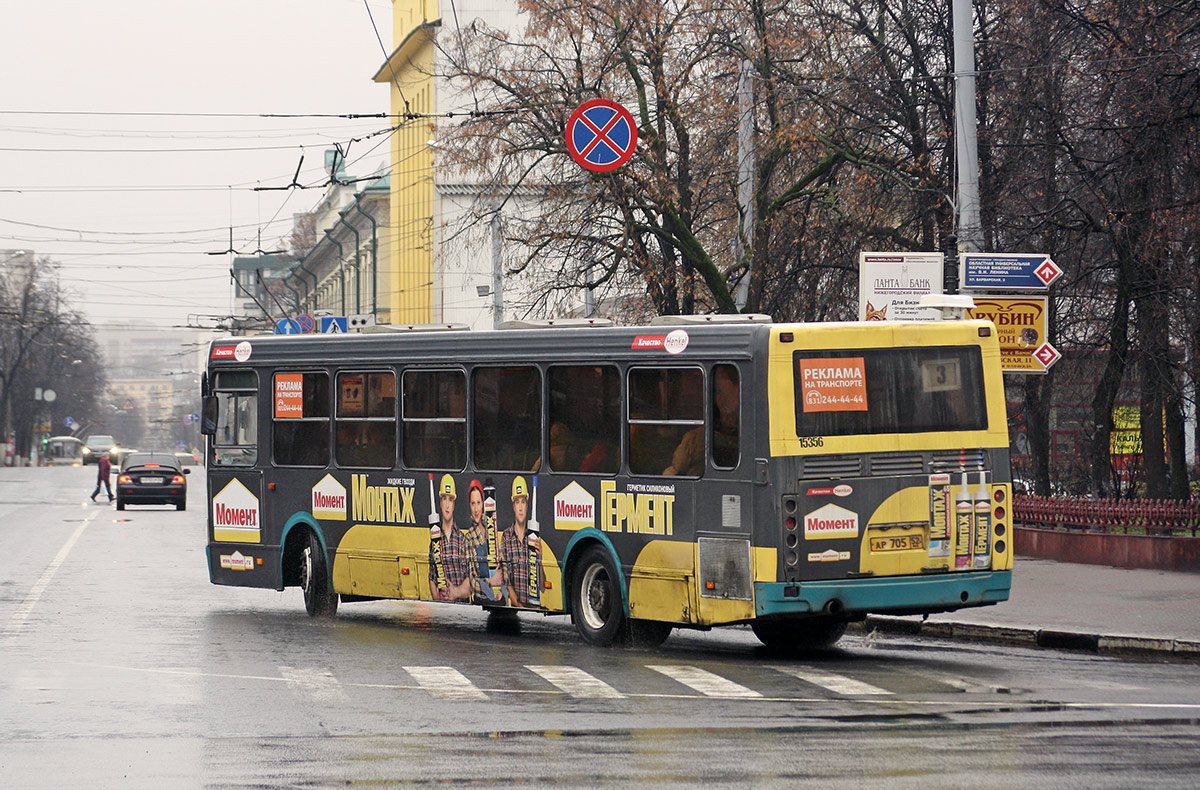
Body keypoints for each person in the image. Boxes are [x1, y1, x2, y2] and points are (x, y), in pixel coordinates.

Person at [663, 365, 739, 476]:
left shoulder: (695, 439)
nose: (719, 399)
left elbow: (672, 473)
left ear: (738, 390)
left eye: (722, 392)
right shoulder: (696, 438)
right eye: (717, 393)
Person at [500, 476, 540, 608]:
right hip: (516, 603)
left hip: (533, 603)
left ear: (527, 505)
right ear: (513, 506)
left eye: (523, 502)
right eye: (517, 502)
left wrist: (540, 560)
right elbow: (504, 575)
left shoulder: (535, 537)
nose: (521, 508)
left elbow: (543, 585)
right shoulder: (506, 537)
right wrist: (516, 602)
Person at [430, 474, 470, 602]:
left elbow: (472, 578)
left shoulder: (463, 539)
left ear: (454, 505)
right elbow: (432, 577)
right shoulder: (434, 539)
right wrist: (438, 601)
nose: (447, 505)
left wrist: (456, 593)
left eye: (450, 500)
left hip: (462, 607)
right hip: (443, 608)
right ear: (440, 503)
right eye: (444, 499)